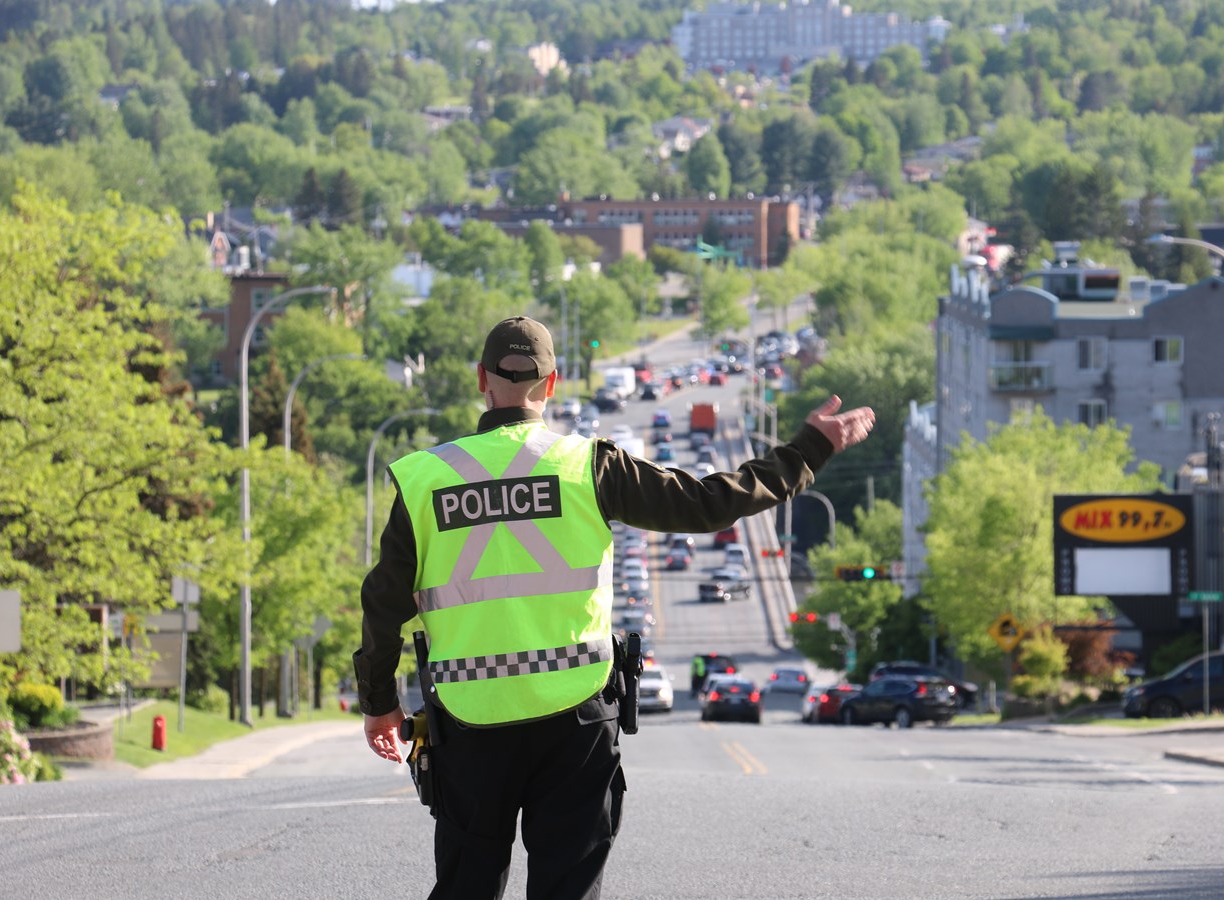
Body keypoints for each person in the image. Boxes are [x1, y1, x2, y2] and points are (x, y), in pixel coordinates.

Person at [355, 315, 874, 900]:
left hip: (470, 724)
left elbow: (382, 604)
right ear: (552, 385)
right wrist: (809, 449)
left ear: (482, 379)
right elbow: (707, 504)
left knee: (466, 886)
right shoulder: (588, 466)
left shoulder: (425, 481)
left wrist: (379, 705)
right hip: (575, 719)